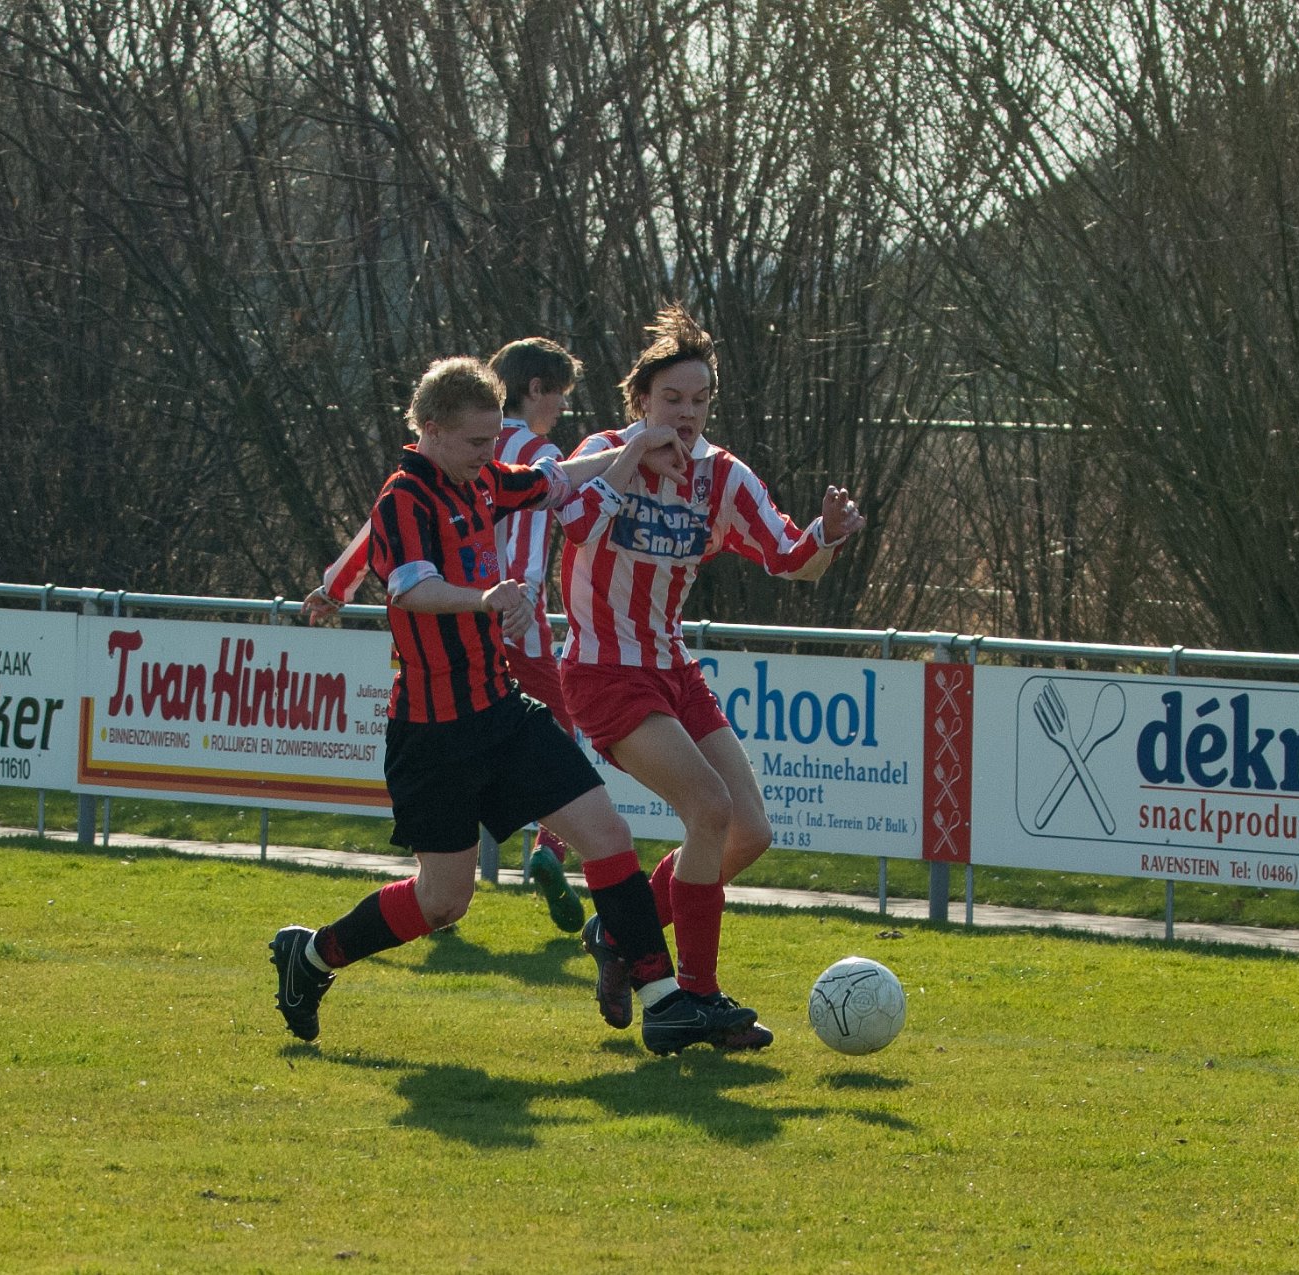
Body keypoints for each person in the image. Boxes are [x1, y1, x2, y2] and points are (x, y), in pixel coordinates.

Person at [270, 356, 762, 1055]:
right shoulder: (404, 499)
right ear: (431, 428)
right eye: (477, 441)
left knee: (608, 835)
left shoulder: (482, 479)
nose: (488, 453)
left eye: (493, 439)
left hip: (502, 712)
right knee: (443, 901)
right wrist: (486, 598)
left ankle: (665, 1002)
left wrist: (636, 445)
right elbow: (410, 588)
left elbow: (558, 480)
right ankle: (312, 955)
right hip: (434, 734)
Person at [557, 306, 866, 1050]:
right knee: (708, 806)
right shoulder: (601, 453)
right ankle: (693, 995)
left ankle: (619, 934)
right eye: (671, 398)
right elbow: (572, 523)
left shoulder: (721, 477)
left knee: (749, 830)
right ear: (641, 401)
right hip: (604, 670)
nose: (686, 413)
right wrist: (632, 455)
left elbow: (790, 557)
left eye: (699, 400)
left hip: (673, 669)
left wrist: (827, 533)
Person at [303, 338, 588, 934]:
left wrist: (336, 587)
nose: (562, 408)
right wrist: (516, 601)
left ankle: (473, 882)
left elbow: (375, 534)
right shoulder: (509, 457)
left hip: (473, 647)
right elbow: (517, 551)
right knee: (560, 753)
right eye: (559, 395)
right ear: (535, 389)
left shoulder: (474, 457)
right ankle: (545, 850)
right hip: (506, 635)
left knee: (582, 810)